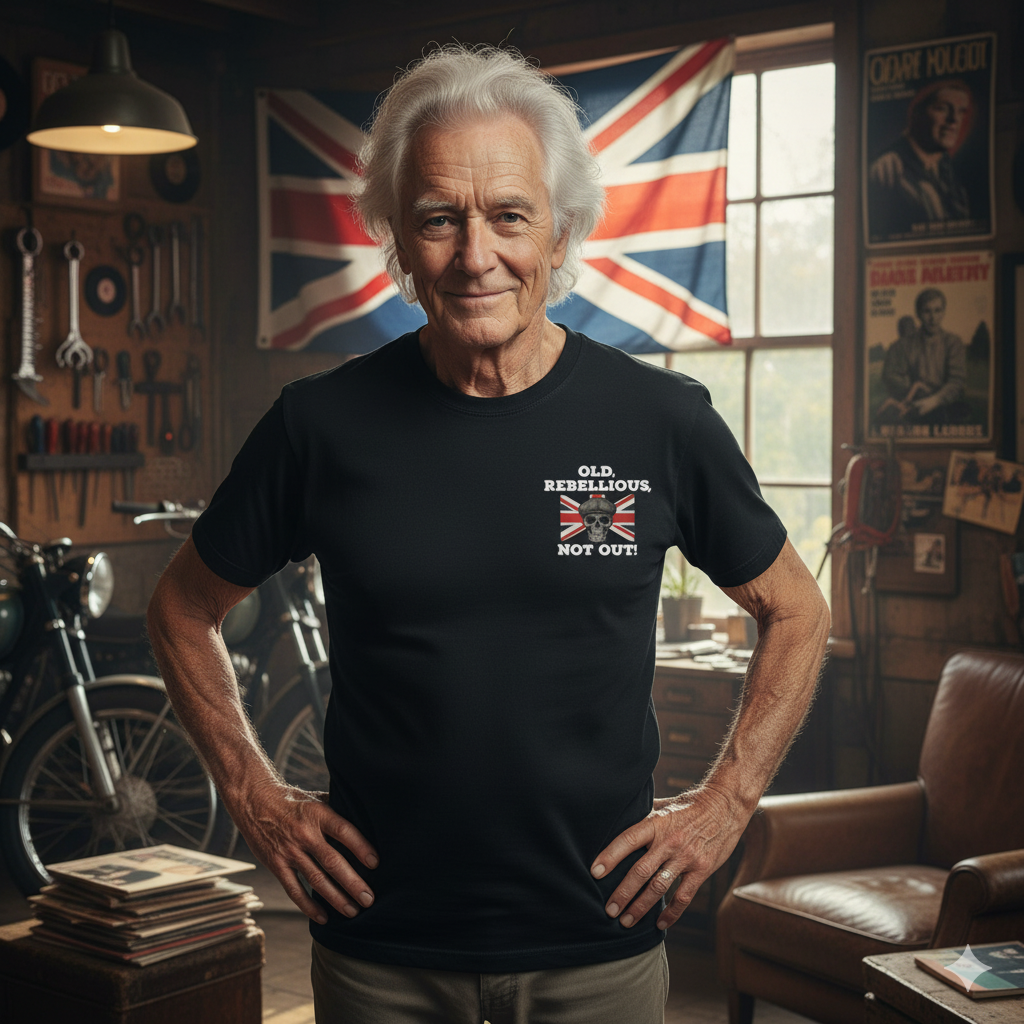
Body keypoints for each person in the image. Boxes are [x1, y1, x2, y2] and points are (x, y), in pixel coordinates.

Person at [147, 44, 830, 1023]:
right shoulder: (319, 425)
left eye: (509, 215)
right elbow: (180, 605)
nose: (476, 257)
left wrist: (724, 804)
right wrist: (258, 798)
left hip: (597, 949)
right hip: (383, 953)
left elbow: (796, 610)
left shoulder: (661, 423)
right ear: (397, 237)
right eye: (439, 219)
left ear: (559, 232)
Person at [868, 78, 974, 239]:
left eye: (961, 111)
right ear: (917, 114)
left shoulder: (950, 171)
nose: (954, 120)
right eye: (942, 109)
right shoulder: (889, 168)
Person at [877, 287, 967, 427]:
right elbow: (890, 376)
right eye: (927, 311)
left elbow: (957, 381)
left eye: (938, 310)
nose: (933, 318)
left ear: (944, 312)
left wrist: (934, 400)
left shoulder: (953, 342)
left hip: (943, 405)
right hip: (912, 404)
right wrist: (912, 391)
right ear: (918, 313)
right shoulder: (905, 344)